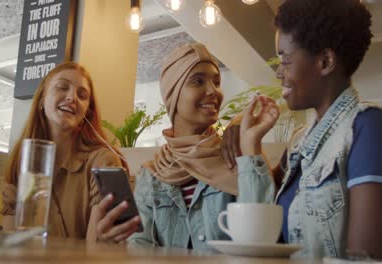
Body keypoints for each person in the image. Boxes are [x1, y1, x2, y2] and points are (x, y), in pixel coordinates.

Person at [222, 0, 382, 259]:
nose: (278, 73)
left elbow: (366, 258)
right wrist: (250, 145)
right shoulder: (299, 144)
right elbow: (258, 240)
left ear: (325, 61)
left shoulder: (369, 128)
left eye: (285, 61)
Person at [1, 62, 141, 242]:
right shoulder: (22, 163)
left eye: (82, 95)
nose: (72, 97)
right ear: (42, 99)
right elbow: (12, 246)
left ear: (86, 113)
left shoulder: (104, 161)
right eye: (62, 87)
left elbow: (95, 247)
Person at [128, 43, 240, 249]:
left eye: (216, 81)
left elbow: (260, 239)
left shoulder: (237, 157)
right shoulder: (152, 174)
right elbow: (138, 246)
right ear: (173, 94)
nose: (213, 90)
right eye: (198, 81)